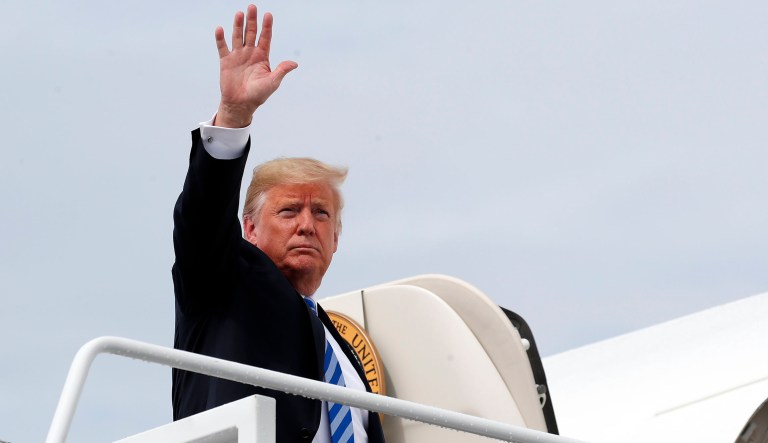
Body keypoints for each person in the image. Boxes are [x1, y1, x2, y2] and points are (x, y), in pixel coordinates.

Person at [171, 5, 385, 442]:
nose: (307, 225)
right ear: (248, 230)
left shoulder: (342, 354)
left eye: (321, 213)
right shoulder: (222, 283)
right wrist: (233, 116)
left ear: (337, 238)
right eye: (289, 211)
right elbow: (202, 218)